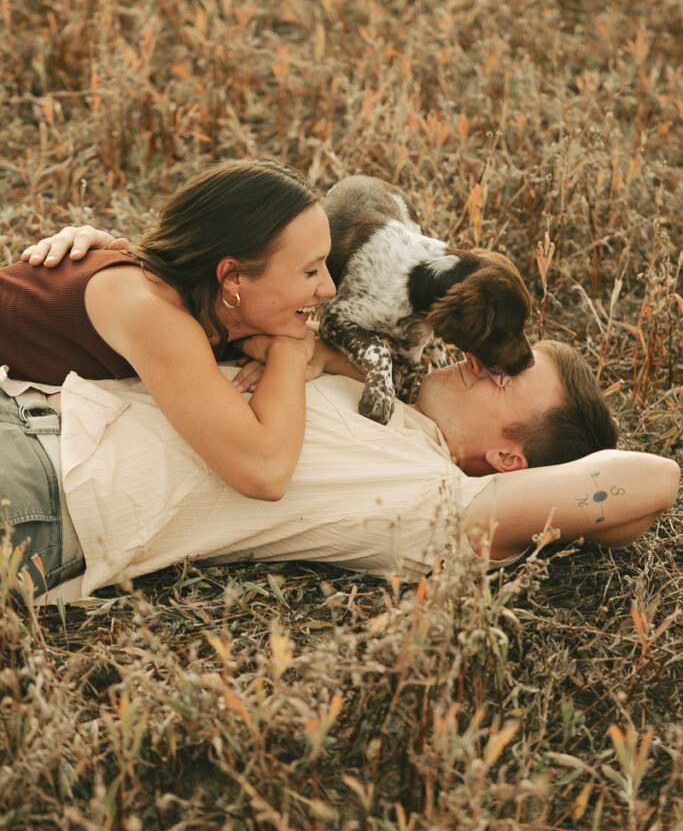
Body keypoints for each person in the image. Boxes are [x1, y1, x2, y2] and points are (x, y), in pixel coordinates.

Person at [2, 220, 679, 602]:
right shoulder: (364, 371)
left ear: (510, 462)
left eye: (504, 380)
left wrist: (567, 522)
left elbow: (653, 482)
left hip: (45, 492)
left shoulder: (438, 503)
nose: (477, 359)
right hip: (26, 399)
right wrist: (112, 258)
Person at [1, 159, 361, 506]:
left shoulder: (216, 305)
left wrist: (313, 346)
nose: (328, 288)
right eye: (311, 271)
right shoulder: (151, 310)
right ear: (233, 277)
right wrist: (290, 354)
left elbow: (374, 374)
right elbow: (265, 472)